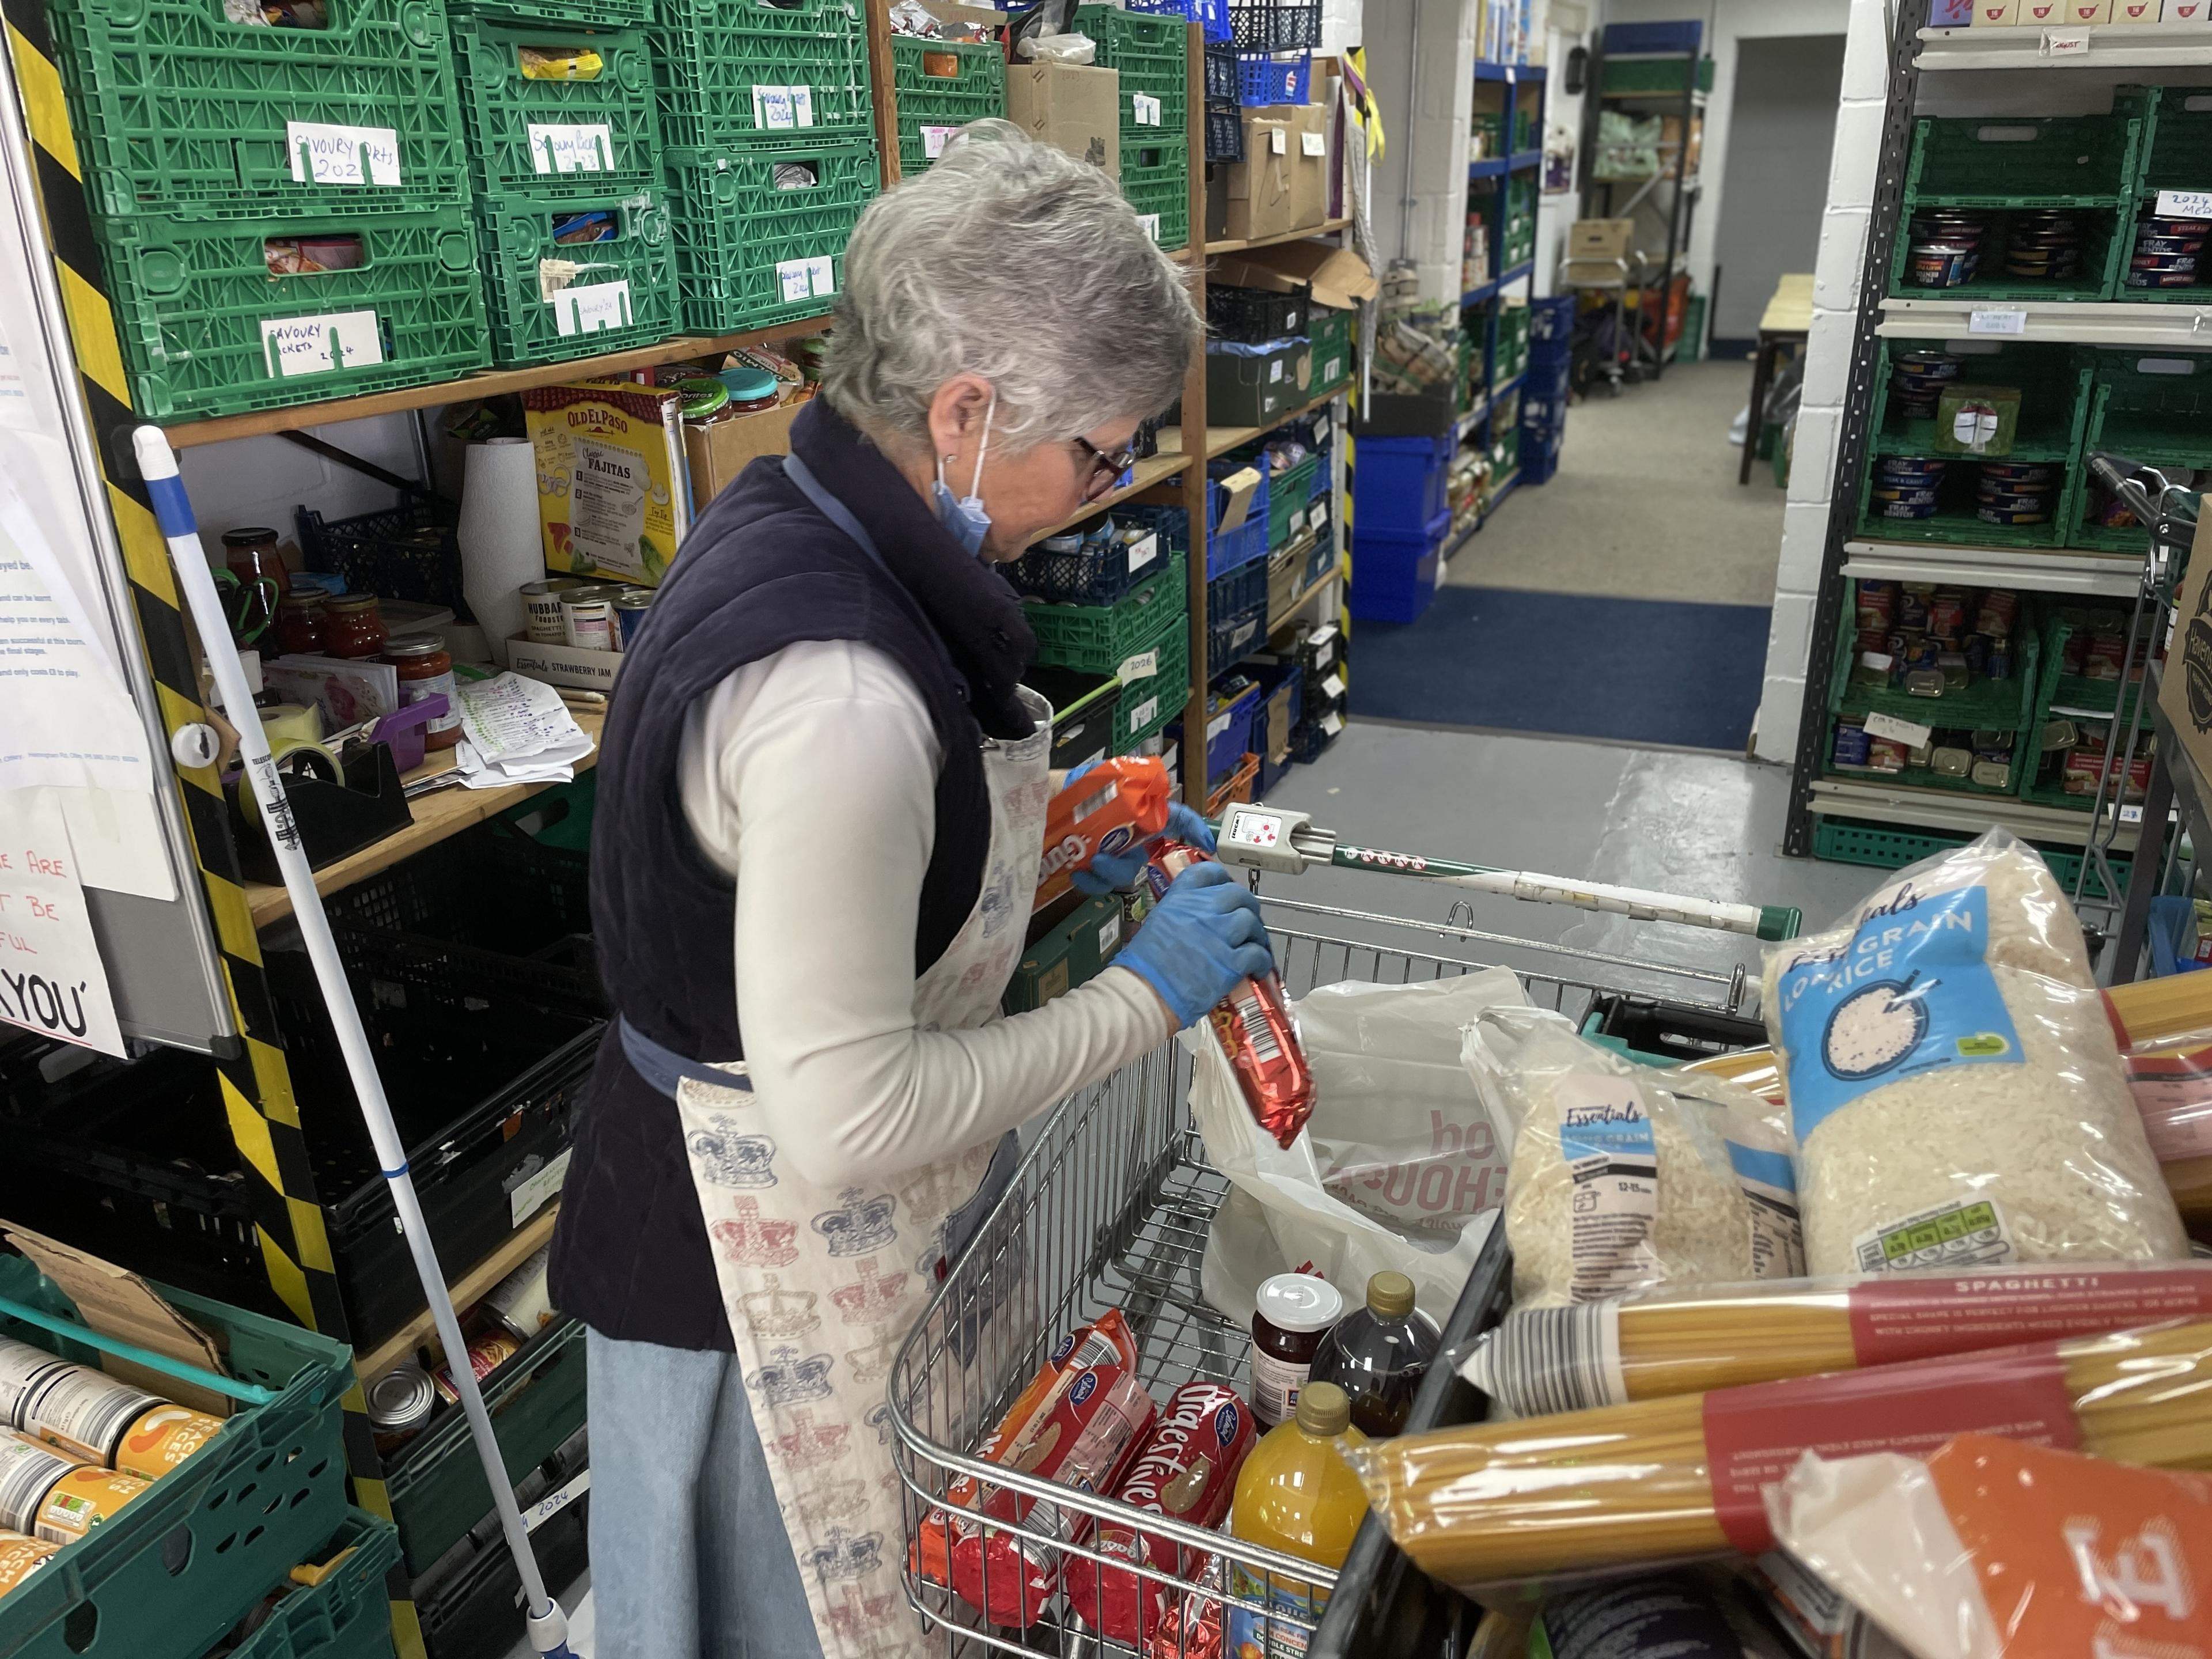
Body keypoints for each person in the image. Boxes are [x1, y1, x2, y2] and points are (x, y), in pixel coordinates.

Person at [548, 123, 1275, 1659]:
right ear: (961, 412)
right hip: (754, 1266)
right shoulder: (843, 698)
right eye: (1098, 449)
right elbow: (852, 1115)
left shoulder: (789, 516)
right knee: (796, 1617)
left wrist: (1066, 833)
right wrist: (1147, 997)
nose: (1112, 484)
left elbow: (854, 881)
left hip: (763, 1199)